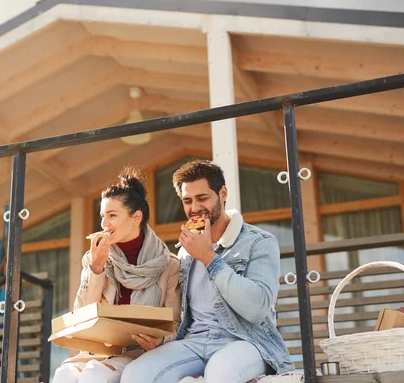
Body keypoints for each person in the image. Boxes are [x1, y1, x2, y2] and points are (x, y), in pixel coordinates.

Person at [121, 160, 294, 383]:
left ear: (223, 193)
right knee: (136, 375)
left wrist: (209, 258)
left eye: (202, 198)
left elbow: (257, 308)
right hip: (193, 342)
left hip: (247, 343)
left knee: (220, 374)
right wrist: (162, 340)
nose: (194, 208)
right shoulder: (184, 252)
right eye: (187, 201)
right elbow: (187, 318)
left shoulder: (259, 242)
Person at [53, 168, 181, 383]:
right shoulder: (94, 259)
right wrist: (96, 269)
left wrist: (160, 341)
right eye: (103, 216)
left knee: (95, 374)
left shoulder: (169, 265)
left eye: (112, 215)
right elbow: (81, 315)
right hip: (99, 351)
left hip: (141, 354)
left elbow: (176, 323)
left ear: (136, 218)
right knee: (64, 375)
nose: (104, 224)